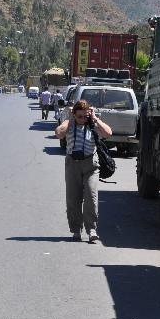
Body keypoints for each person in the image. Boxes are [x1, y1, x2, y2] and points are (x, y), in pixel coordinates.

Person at [54, 99, 112, 243]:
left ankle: (91, 229)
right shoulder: (70, 123)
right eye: (79, 116)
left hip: (90, 165)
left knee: (91, 198)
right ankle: (76, 230)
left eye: (85, 116)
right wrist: (68, 121)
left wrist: (95, 119)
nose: (82, 119)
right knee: (73, 199)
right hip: (72, 164)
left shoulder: (92, 123)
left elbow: (108, 133)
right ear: (74, 115)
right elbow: (58, 134)